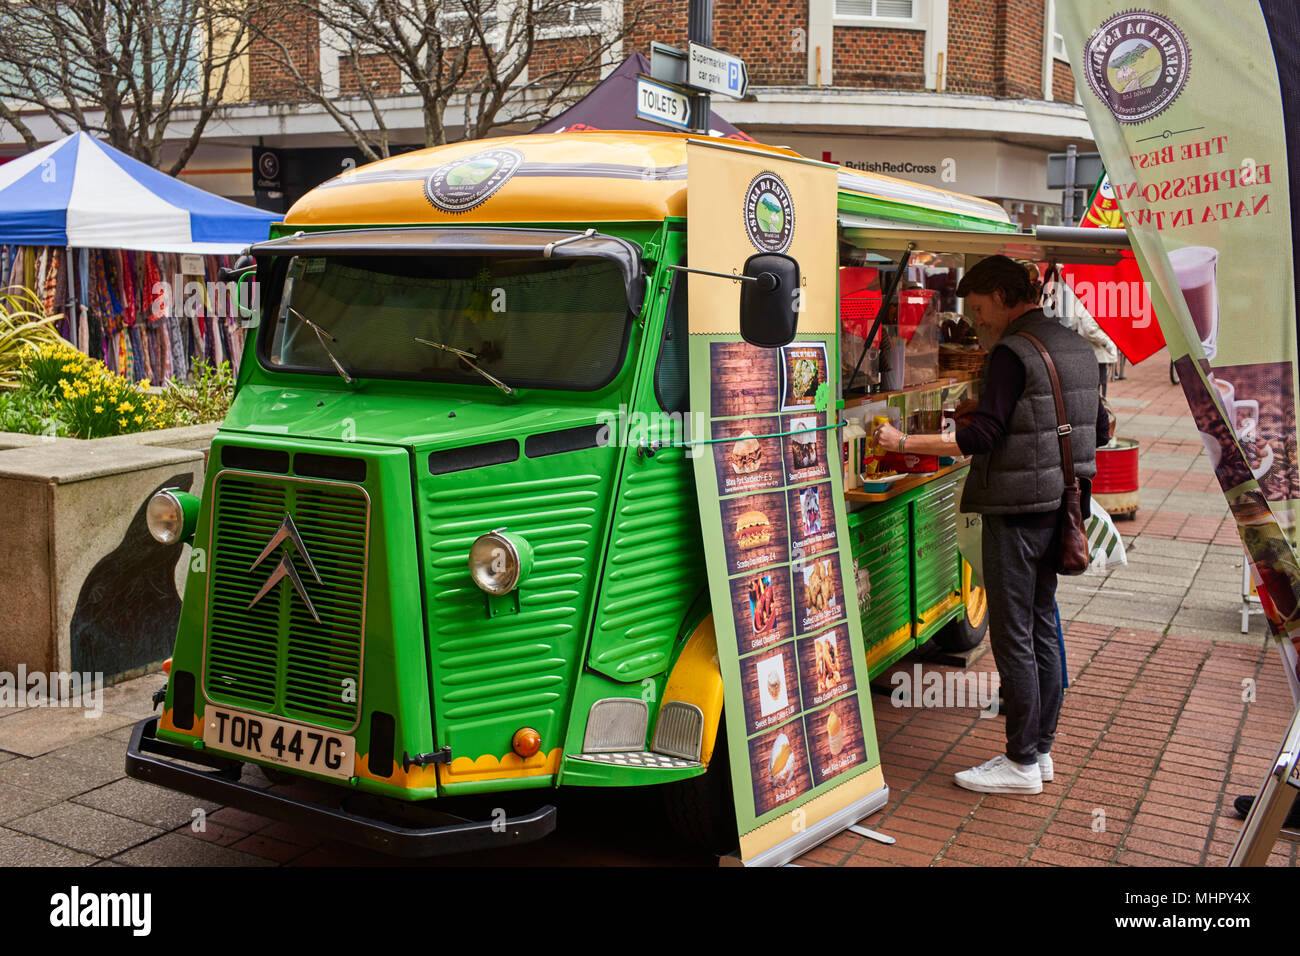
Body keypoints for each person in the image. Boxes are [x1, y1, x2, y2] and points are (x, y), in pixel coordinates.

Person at [874, 255, 1108, 795]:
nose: (978, 324)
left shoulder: (1013, 351)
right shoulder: (1073, 343)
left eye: (979, 311)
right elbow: (1097, 425)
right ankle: (1041, 750)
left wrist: (902, 443)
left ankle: (1021, 761)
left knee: (1013, 634)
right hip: (1063, 504)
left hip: (1016, 510)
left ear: (1003, 297)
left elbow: (981, 439)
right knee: (1042, 623)